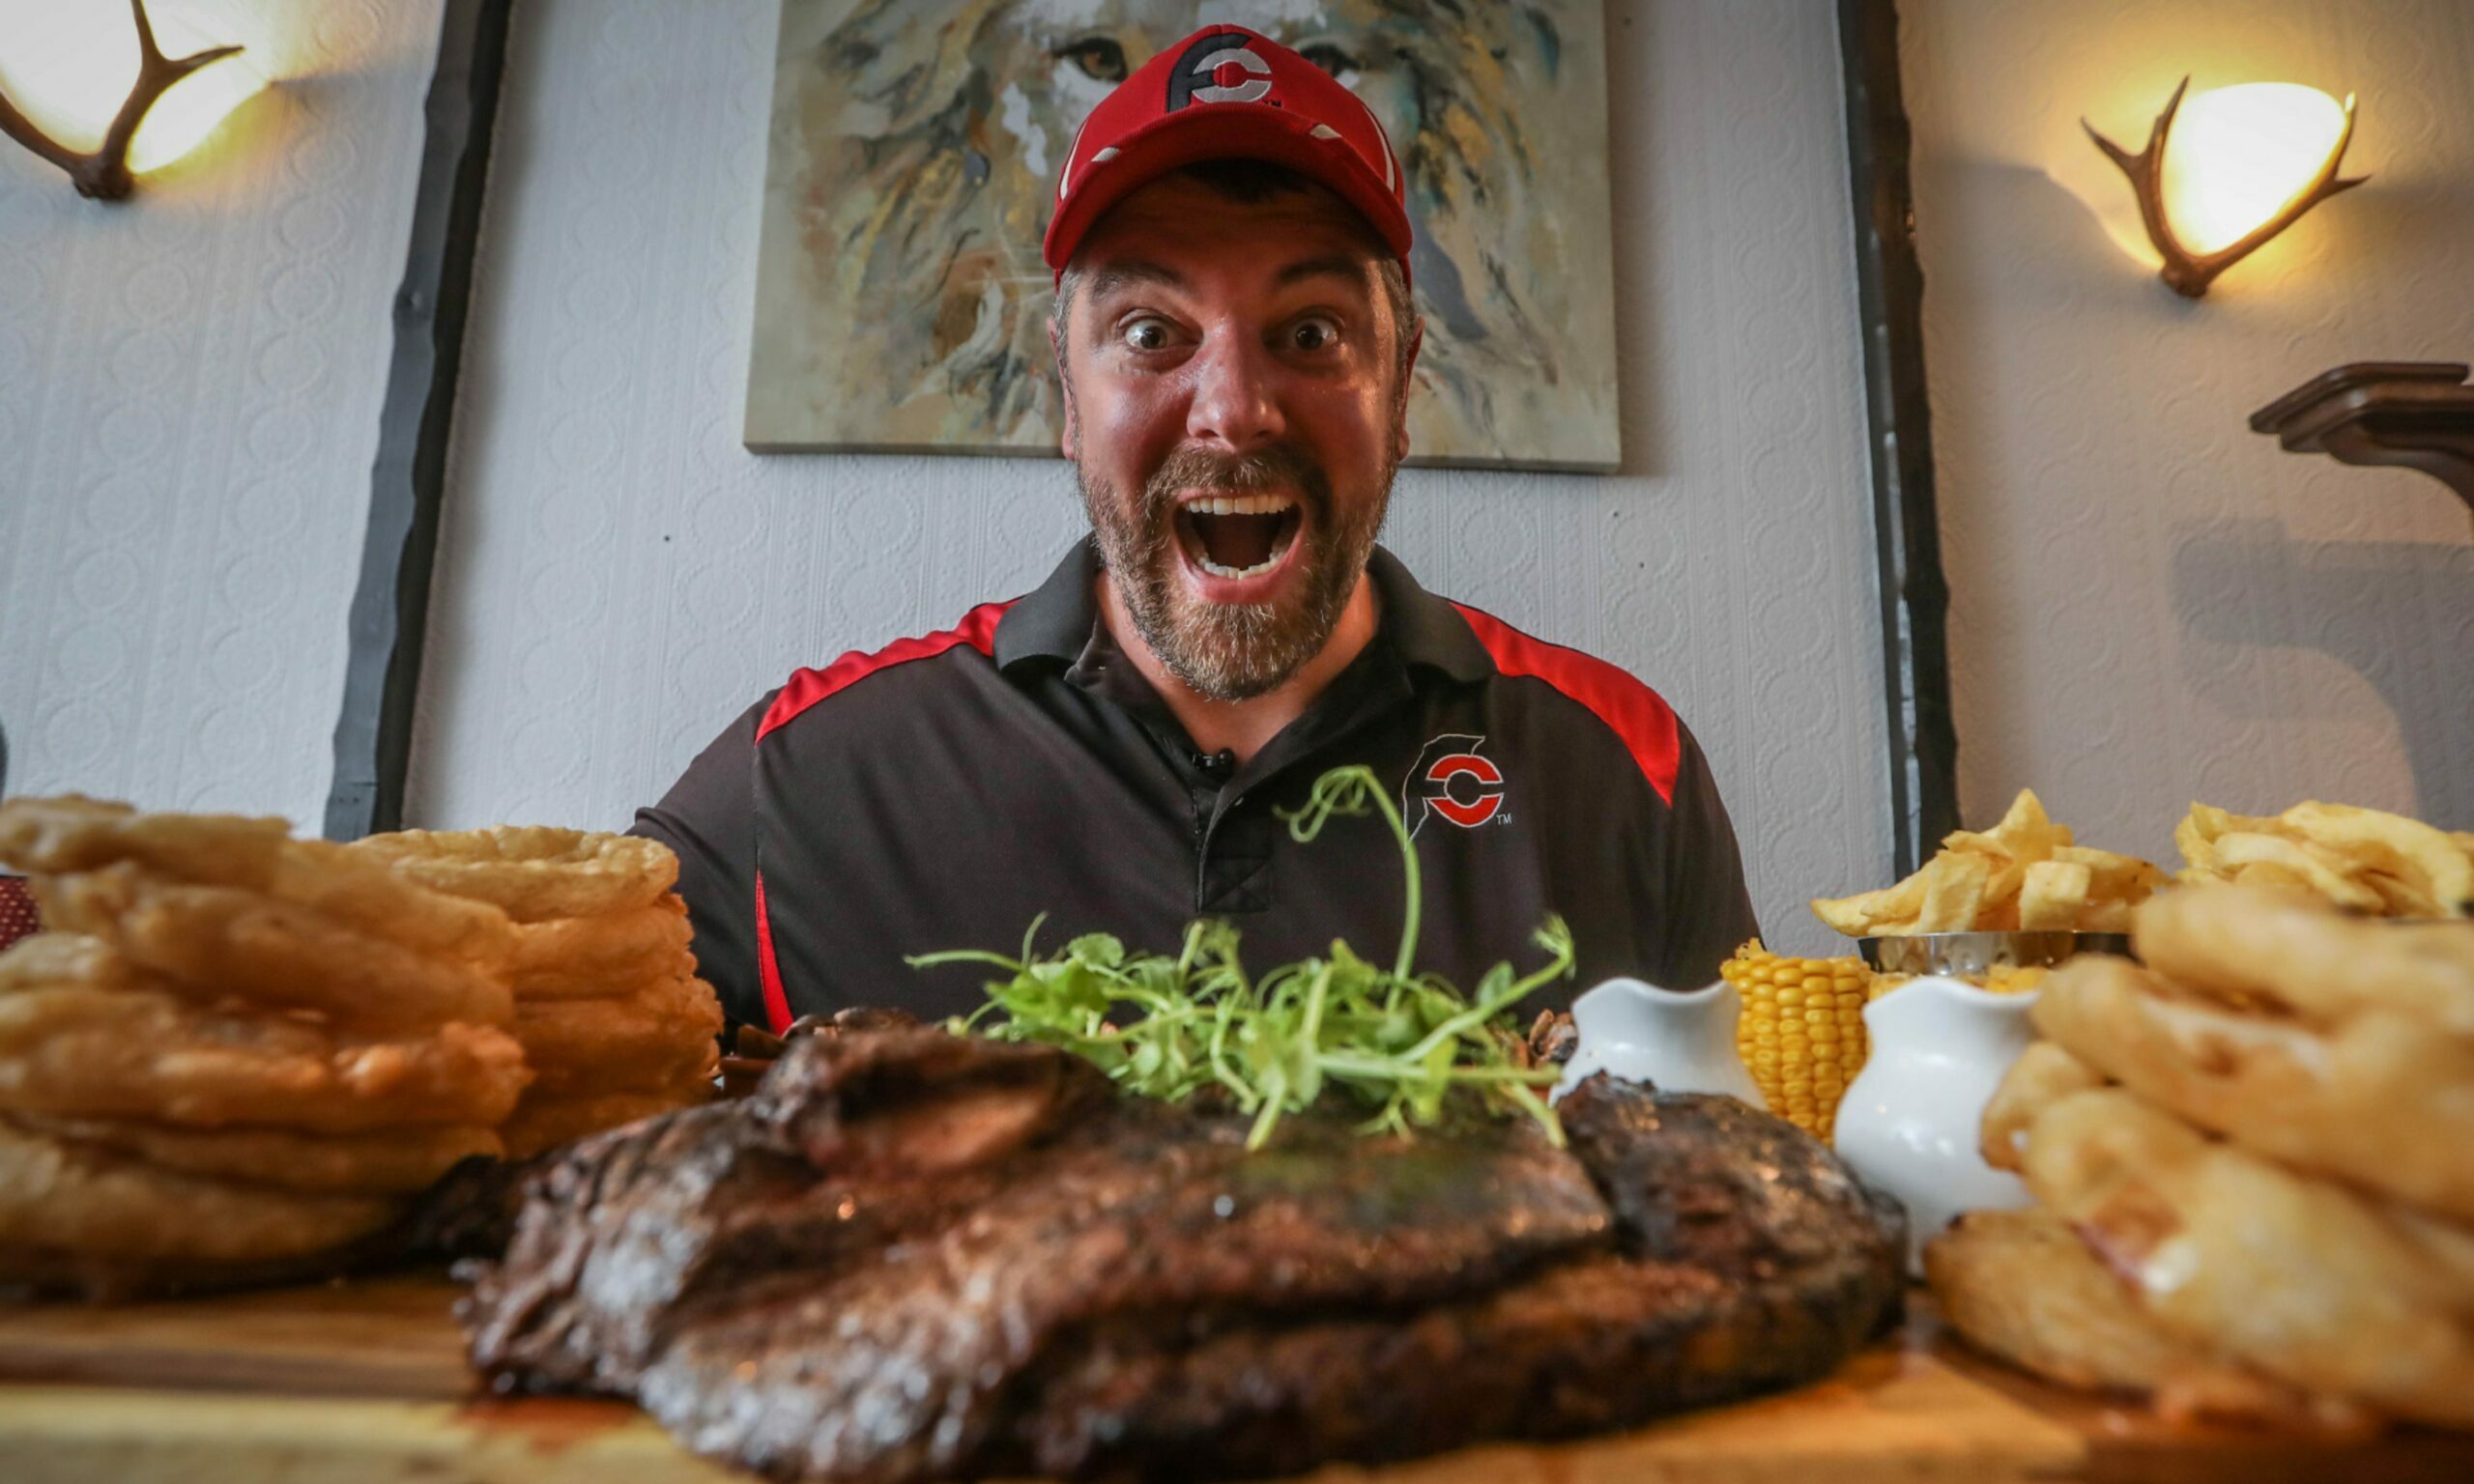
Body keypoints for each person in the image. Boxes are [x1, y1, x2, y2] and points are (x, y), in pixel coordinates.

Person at [636, 24, 1756, 1034]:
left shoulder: (1621, 769)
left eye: (1311, 331)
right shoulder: (810, 777)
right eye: (1149, 331)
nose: (1234, 409)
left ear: (1401, 388)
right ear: (1065, 397)